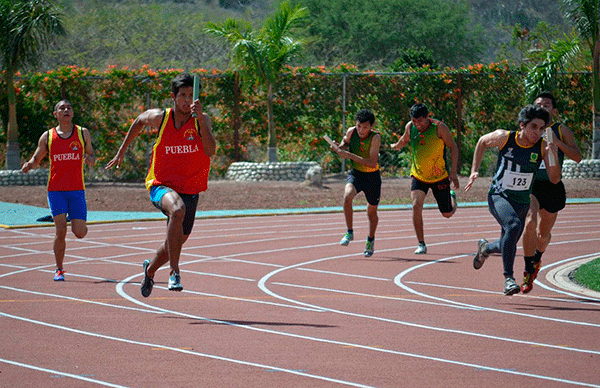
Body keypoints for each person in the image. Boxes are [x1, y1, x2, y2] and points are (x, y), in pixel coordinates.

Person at [105, 73, 216, 297]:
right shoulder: (160, 117)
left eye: (190, 96)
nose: (186, 100)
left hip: (191, 188)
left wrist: (200, 120)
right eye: (181, 95)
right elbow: (138, 122)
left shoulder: (202, 120)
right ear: (173, 97)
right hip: (160, 184)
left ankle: (150, 269)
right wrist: (122, 151)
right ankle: (175, 272)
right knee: (177, 209)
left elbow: (211, 151)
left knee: (172, 245)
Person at [465, 105, 560, 296]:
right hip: (499, 195)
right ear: (522, 125)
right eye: (534, 127)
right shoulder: (504, 137)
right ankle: (509, 278)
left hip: (522, 200)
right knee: (514, 225)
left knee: (507, 242)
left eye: (542, 129)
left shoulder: (542, 146)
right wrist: (474, 169)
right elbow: (482, 142)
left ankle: (485, 248)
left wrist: (553, 154)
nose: (537, 132)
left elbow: (554, 178)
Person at [21, 100, 96, 281]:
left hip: (77, 190)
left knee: (79, 233)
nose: (66, 110)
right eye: (61, 108)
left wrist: (90, 159)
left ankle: (79, 222)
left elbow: (91, 154)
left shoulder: (82, 133)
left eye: (69, 107)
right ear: (56, 114)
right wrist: (29, 165)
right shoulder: (47, 136)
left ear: (72, 112)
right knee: (60, 230)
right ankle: (59, 269)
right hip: (56, 190)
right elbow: (37, 157)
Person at [520, 92, 582, 293]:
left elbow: (578, 157)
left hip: (552, 185)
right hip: (531, 185)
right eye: (539, 104)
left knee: (543, 234)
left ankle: (537, 259)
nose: (543, 107)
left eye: (547, 105)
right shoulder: (529, 130)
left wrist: (557, 143)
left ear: (554, 110)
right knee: (530, 221)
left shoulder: (560, 130)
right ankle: (528, 269)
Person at [390, 103, 459, 254]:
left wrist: (453, 173)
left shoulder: (439, 128)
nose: (417, 124)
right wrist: (396, 145)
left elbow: (453, 147)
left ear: (427, 117)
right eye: (414, 121)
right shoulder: (411, 126)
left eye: (420, 121)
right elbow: (404, 139)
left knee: (447, 214)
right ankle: (421, 243)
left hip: (439, 176)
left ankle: (452, 198)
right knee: (416, 206)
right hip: (419, 175)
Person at [330, 109, 381, 257]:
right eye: (359, 126)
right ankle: (349, 232)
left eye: (365, 127)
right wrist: (338, 148)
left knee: (371, 212)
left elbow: (372, 162)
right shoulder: (352, 132)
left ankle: (370, 239)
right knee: (347, 197)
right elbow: (344, 144)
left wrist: (349, 155)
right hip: (356, 174)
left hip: (372, 177)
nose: (361, 130)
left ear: (371, 126)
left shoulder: (375, 137)